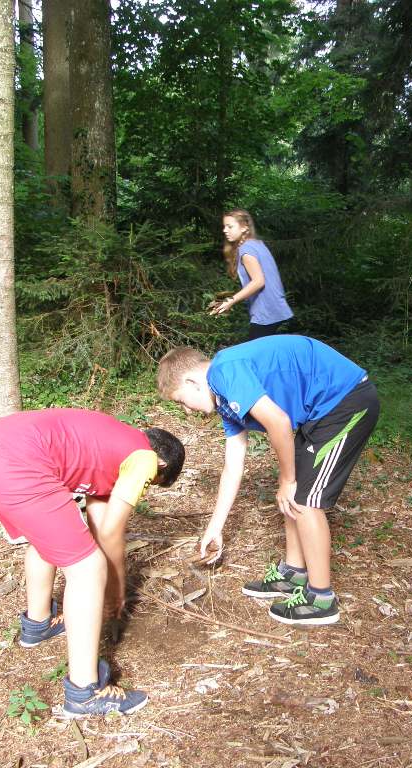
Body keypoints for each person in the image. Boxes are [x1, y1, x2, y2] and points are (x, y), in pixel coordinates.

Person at [0, 409, 185, 717]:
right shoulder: (145, 459)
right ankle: (84, 693)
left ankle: (38, 624)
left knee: (51, 539)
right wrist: (114, 592)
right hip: (18, 465)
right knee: (87, 569)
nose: (145, 488)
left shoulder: (111, 448)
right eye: (153, 483)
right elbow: (112, 534)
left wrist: (106, 575)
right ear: (161, 465)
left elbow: (99, 525)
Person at [156, 335, 379, 626]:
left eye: (181, 401)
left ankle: (321, 599)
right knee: (293, 495)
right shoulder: (224, 399)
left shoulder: (224, 371)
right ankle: (293, 573)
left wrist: (287, 479)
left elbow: (279, 422)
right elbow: (232, 466)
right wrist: (215, 527)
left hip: (345, 401)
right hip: (320, 413)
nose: (187, 410)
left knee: (305, 500)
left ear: (191, 382)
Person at [209, 209, 294, 340]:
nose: (225, 230)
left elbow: (258, 281)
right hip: (275, 309)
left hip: (267, 312)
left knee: (256, 351)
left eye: (230, 226)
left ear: (244, 227)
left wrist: (231, 301)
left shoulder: (246, 249)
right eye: (224, 226)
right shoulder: (256, 244)